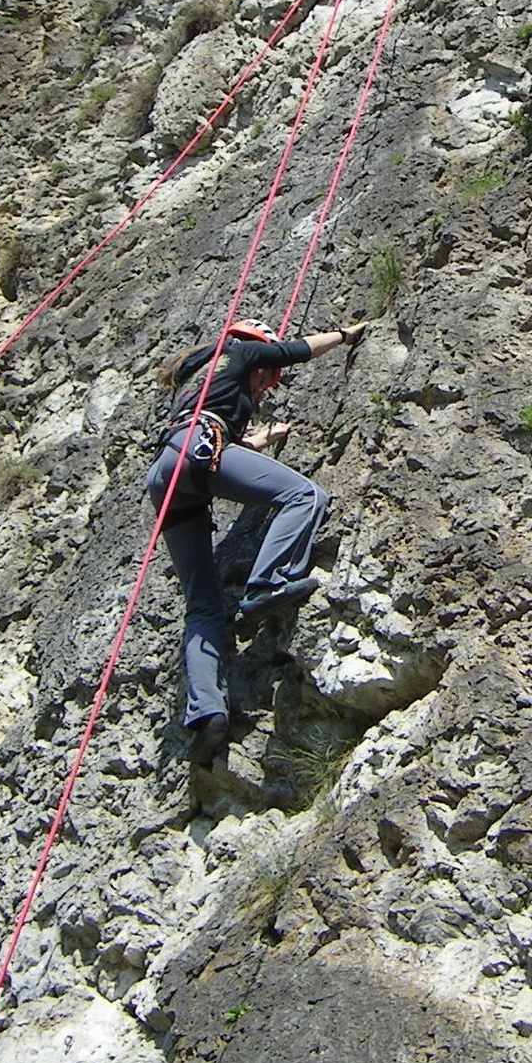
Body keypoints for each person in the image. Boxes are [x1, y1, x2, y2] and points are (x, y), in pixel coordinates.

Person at [147, 317, 367, 761]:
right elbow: (296, 350)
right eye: (269, 375)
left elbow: (215, 441)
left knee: (203, 606)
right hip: (198, 452)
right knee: (304, 495)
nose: (268, 383)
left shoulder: (204, 372)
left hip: (167, 472)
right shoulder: (243, 350)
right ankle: (268, 582)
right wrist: (346, 336)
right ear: (256, 350)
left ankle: (207, 714)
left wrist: (264, 438)